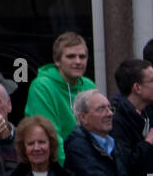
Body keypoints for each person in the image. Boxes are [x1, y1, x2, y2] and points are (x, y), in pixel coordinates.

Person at [23, 32, 97, 162]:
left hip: (89, 163)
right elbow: (51, 137)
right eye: (71, 56)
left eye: (82, 56)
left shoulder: (88, 85)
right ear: (57, 60)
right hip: (60, 168)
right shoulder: (42, 86)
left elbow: (98, 130)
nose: (78, 61)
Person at [110, 59, 153, 176]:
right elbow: (126, 164)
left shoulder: (148, 111)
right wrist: (149, 140)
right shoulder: (117, 120)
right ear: (137, 88)